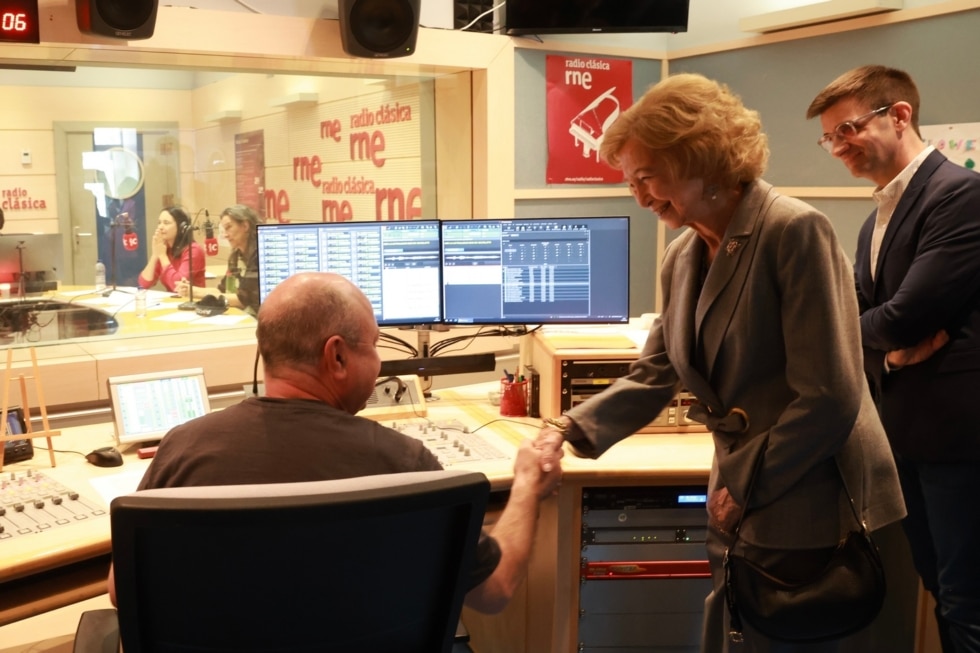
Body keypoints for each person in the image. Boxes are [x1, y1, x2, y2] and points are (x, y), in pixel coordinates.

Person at [533, 73, 905, 653]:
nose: (639, 197)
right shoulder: (683, 254)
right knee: (738, 631)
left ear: (700, 159)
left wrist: (746, 483)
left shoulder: (793, 230)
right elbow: (657, 371)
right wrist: (565, 428)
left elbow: (830, 396)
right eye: (630, 182)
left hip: (808, 490)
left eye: (647, 177)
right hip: (742, 484)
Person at [109, 271, 563, 614]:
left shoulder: (184, 449)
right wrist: (527, 484)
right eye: (375, 344)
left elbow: (118, 589)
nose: (380, 360)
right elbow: (494, 591)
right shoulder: (403, 463)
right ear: (338, 356)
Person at [806, 65, 980, 653]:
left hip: (960, 445)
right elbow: (865, 321)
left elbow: (902, 318)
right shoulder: (874, 220)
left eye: (848, 129)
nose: (838, 147)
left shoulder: (961, 195)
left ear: (899, 115)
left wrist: (861, 338)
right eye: (830, 137)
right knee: (939, 588)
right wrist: (892, 361)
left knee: (967, 601)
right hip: (906, 436)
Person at [178, 204, 262, 315]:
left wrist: (198, 293)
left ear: (245, 226)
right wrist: (191, 290)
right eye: (224, 229)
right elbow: (221, 290)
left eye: (228, 227)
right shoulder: (236, 257)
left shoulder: (259, 254)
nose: (225, 235)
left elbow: (242, 300)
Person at [138, 206, 206, 293]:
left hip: (192, 300)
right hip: (172, 300)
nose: (160, 227)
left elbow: (178, 286)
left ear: (181, 227)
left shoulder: (193, 250)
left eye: (166, 223)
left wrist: (162, 256)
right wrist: (155, 254)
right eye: (159, 223)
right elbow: (143, 284)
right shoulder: (165, 249)